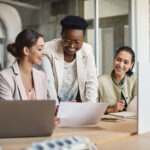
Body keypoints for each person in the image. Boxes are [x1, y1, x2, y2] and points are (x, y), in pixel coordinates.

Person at [0, 29, 60, 127]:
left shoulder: (41, 77)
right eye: (40, 49)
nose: (43, 53)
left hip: (38, 133)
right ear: (26, 51)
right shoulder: (5, 77)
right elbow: (7, 116)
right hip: (15, 135)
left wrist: (50, 120)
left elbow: (43, 113)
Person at [41, 15, 97, 104]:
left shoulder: (87, 50)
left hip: (76, 104)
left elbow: (91, 81)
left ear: (83, 38)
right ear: (61, 36)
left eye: (77, 42)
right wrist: (56, 107)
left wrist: (90, 107)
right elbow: (49, 83)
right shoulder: (47, 50)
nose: (71, 46)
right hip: (52, 103)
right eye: (67, 41)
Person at [97, 46, 137, 113]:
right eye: (118, 60)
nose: (121, 65)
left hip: (131, 121)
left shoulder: (136, 79)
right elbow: (91, 109)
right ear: (114, 59)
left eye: (126, 62)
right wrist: (111, 110)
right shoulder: (99, 81)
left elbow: (140, 105)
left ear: (131, 65)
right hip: (107, 122)